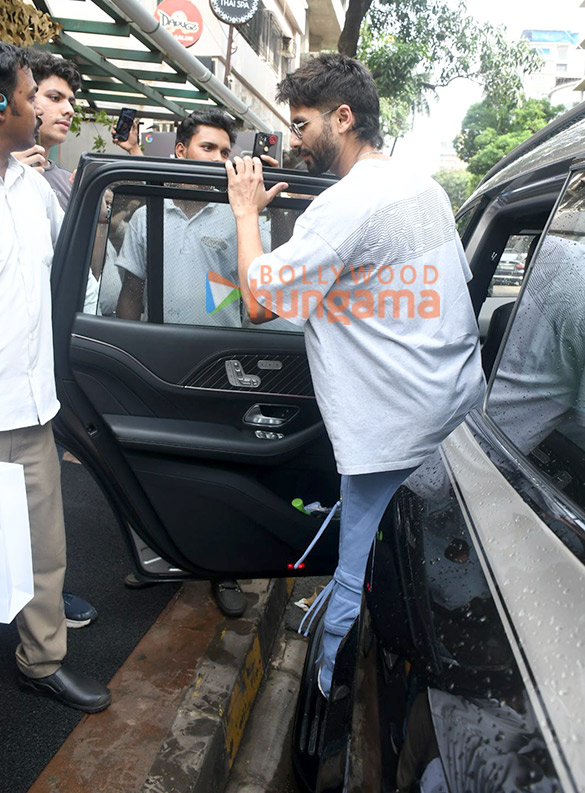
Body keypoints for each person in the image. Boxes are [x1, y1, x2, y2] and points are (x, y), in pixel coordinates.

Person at [225, 53, 485, 698]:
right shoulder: (421, 186)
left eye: (303, 122)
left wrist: (244, 211)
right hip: (455, 418)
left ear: (343, 118)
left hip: (393, 432)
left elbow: (257, 303)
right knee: (436, 570)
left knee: (355, 569)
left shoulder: (346, 205)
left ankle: (331, 687)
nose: (293, 137)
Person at [0, 42, 110, 711]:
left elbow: (79, 280)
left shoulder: (29, 186)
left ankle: (41, 660)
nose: (34, 101)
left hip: (32, 409)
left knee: (44, 553)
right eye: (26, 89)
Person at [113, 109, 255, 618]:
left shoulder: (238, 218)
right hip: (156, 363)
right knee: (153, 466)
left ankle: (223, 569)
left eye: (224, 151)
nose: (220, 160)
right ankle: (154, 557)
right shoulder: (147, 214)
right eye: (208, 149)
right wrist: (129, 355)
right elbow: (132, 291)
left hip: (219, 368)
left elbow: (251, 298)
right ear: (180, 151)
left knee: (219, 472)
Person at [12, 50, 98, 628]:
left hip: (41, 380)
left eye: (72, 99)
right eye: (51, 96)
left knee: (40, 527)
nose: (68, 109)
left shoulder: (52, 182)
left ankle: (39, 628)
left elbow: (78, 273)